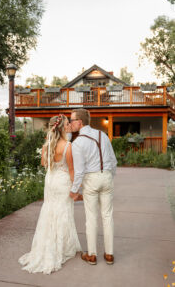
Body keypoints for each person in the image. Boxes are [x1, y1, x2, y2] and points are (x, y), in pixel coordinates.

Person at [18, 114, 81, 274]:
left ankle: (46, 246)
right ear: (61, 128)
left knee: (49, 210)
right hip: (63, 181)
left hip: (51, 181)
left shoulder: (47, 145)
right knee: (63, 212)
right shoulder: (68, 146)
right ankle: (61, 248)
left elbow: (43, 163)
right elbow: (72, 170)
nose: (69, 125)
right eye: (67, 123)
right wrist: (76, 189)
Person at [69, 108, 117, 265]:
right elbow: (113, 160)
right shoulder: (102, 135)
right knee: (107, 216)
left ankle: (92, 255)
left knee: (91, 218)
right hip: (107, 177)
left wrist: (74, 190)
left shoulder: (78, 142)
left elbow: (79, 171)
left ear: (79, 122)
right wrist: (109, 176)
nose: (70, 123)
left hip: (91, 180)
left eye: (72, 120)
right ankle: (109, 255)